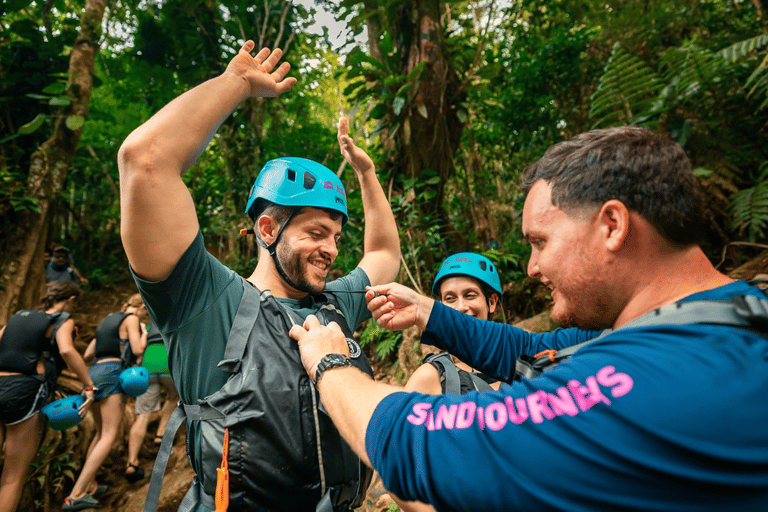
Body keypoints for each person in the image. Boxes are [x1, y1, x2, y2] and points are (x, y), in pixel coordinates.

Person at [290, 125, 768, 511]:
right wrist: (427, 311)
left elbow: (419, 444)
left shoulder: (648, 380)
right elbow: (534, 350)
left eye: (540, 242)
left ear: (613, 226)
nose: (533, 267)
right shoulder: (725, 319)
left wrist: (331, 366)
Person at [117, 40, 400, 511]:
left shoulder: (331, 304)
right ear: (268, 229)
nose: (330, 249)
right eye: (315, 232)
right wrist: (239, 84)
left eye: (335, 236)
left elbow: (384, 252)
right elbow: (145, 160)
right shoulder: (201, 300)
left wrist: (367, 175)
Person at [0, 281, 95, 512]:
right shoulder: (61, 319)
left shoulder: (15, 318)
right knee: (12, 477)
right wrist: (89, 385)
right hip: (24, 391)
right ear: (71, 299)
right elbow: (66, 350)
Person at [63, 294, 147, 510]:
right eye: (145, 311)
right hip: (111, 373)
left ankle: (89, 484)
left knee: (100, 434)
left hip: (94, 372)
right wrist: (143, 335)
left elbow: (90, 352)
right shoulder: (131, 319)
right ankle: (77, 494)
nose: (144, 315)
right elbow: (137, 350)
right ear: (140, 308)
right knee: (110, 435)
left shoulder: (107, 319)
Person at [405, 252, 503, 395]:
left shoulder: (524, 363)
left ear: (492, 302)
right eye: (450, 298)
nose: (460, 307)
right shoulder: (430, 377)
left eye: (470, 295)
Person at [125, 322, 178, 483]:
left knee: (143, 414)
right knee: (174, 397)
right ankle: (161, 434)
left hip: (147, 367)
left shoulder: (149, 327)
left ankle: (132, 462)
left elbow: (140, 347)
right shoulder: (174, 318)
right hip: (167, 363)